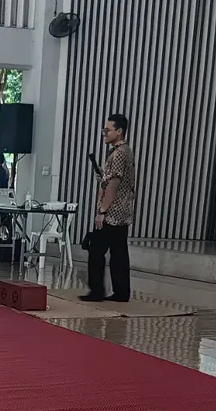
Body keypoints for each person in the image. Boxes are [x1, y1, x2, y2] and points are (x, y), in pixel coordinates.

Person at [80, 114, 136, 303]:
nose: (104, 133)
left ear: (119, 131)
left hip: (112, 212)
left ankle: (97, 291)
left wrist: (102, 211)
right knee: (119, 253)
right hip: (123, 211)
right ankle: (121, 292)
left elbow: (114, 184)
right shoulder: (125, 151)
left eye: (107, 130)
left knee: (96, 250)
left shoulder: (119, 153)